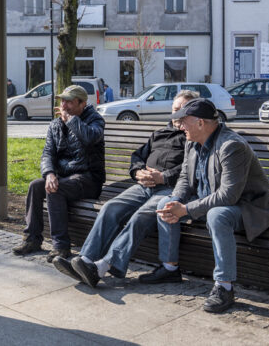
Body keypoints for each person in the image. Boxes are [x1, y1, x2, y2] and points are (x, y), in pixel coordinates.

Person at [142, 98, 269, 313]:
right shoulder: (192, 142)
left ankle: (224, 287)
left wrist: (185, 210)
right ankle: (169, 267)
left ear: (201, 123)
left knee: (217, 215)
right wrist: (176, 201)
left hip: (248, 208)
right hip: (209, 201)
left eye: (184, 121)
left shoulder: (231, 146)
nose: (180, 126)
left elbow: (228, 196)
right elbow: (185, 177)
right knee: (166, 202)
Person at [54, 90, 197, 286]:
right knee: (110, 208)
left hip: (170, 189)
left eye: (183, 110)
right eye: (175, 109)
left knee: (139, 216)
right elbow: (137, 157)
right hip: (144, 185)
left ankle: (102, 266)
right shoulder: (159, 134)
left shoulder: (193, 137)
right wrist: (138, 172)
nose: (177, 114)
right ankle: (86, 260)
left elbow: (191, 168)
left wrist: (163, 177)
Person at [12, 85, 105, 261]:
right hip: (65, 177)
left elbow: (90, 137)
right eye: (62, 101)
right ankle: (32, 239)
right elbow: (48, 153)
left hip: (88, 179)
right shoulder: (55, 124)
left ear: (82, 103)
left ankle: (61, 246)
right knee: (36, 186)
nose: (64, 105)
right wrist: (49, 173)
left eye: (69, 102)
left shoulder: (95, 120)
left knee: (55, 189)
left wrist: (70, 120)